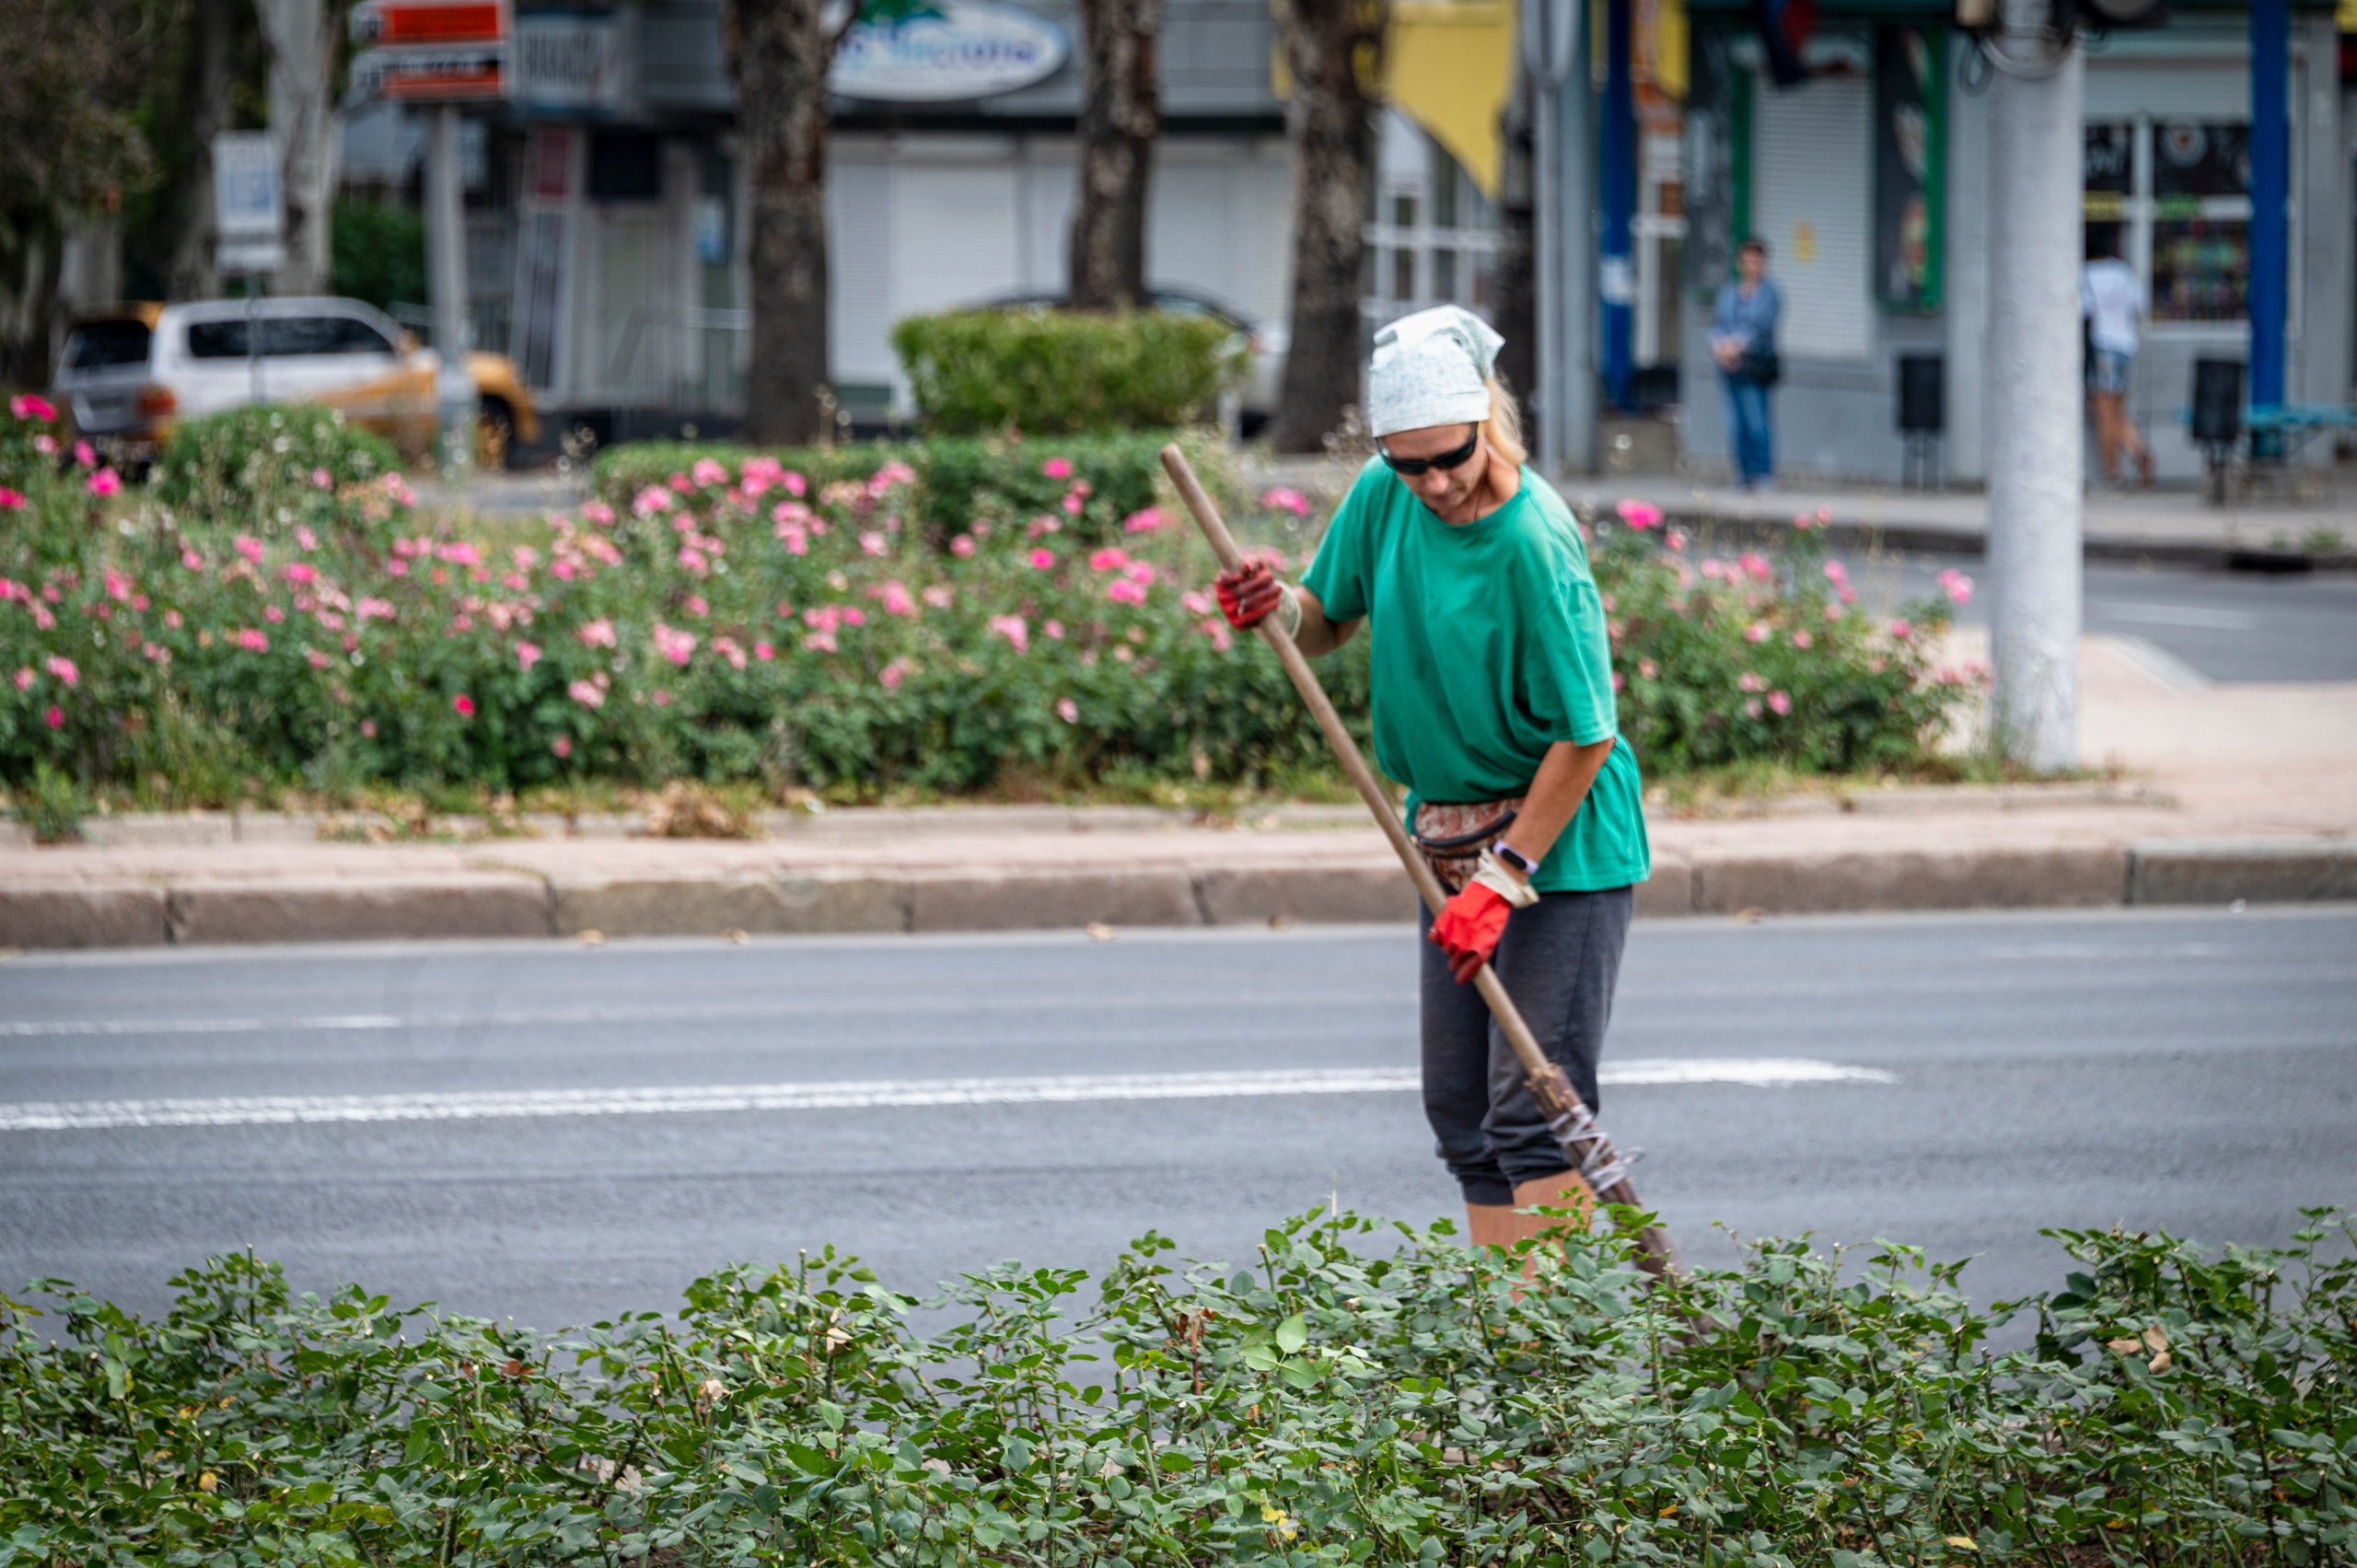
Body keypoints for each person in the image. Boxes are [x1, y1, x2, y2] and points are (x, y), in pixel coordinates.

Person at [1213, 306, 1651, 1252]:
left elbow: (1588, 736)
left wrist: (1502, 877)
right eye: (1408, 462)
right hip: (1444, 835)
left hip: (1556, 846)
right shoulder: (1386, 494)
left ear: (1485, 420)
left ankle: (1546, 1357)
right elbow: (1326, 615)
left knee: (1531, 1111)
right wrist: (1274, 605)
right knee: (1460, 1109)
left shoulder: (1536, 543)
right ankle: (1500, 1334)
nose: (1434, 482)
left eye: (1449, 456)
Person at [1709, 237, 1782, 492]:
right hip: (1730, 368)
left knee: (1756, 421)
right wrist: (1719, 346)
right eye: (1747, 260)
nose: (1751, 265)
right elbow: (1717, 324)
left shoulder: (1770, 293)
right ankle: (1742, 474)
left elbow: (1759, 327)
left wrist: (1734, 346)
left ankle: (1762, 474)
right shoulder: (1729, 291)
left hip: (1754, 366)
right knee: (1734, 423)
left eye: (1756, 260)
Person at [2082, 227, 2153, 487]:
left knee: (2103, 412)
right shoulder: (2123, 271)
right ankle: (2139, 450)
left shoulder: (2086, 273)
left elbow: (2082, 309)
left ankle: (2114, 471)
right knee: (2116, 408)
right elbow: (2141, 304)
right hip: (2125, 346)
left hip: (2102, 346)